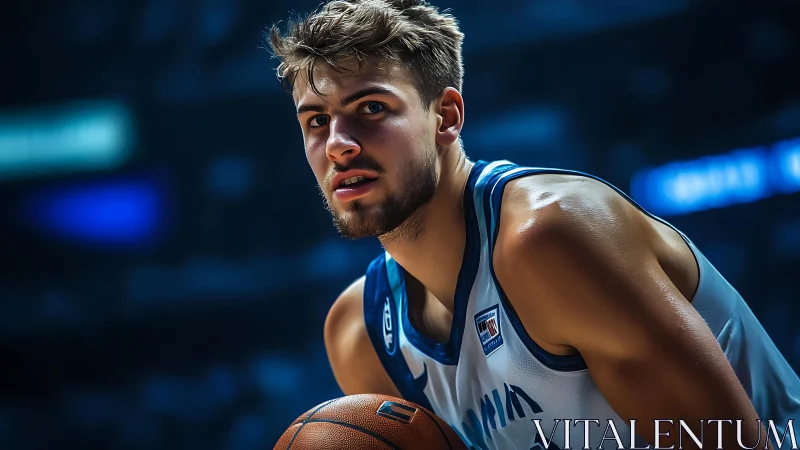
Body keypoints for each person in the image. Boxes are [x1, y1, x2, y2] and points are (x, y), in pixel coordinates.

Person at [267, 1, 800, 448]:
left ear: (446, 117)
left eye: (371, 107)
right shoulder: (360, 335)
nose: (337, 142)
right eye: (316, 120)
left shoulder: (550, 239)